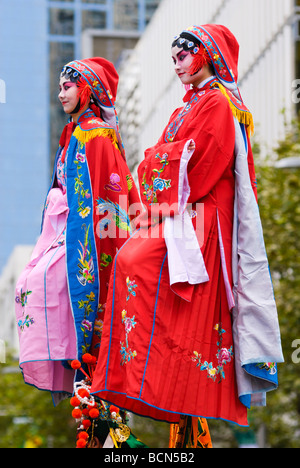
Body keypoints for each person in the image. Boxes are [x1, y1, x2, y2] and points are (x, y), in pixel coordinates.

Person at [90, 25, 284, 429]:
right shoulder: (186, 107)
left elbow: (198, 163)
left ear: (207, 54)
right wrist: (163, 159)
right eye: (173, 58)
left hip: (202, 213)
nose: (177, 64)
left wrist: (162, 160)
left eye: (183, 56)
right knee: (128, 259)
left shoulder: (218, 103)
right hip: (179, 210)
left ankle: (162, 377)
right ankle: (145, 376)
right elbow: (158, 157)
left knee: (135, 260)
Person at [15, 57, 141, 403]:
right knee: (28, 283)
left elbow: (109, 199)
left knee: (42, 283)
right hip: (65, 231)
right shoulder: (74, 135)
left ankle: (76, 347)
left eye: (66, 86)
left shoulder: (96, 136)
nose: (60, 94)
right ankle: (68, 348)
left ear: (87, 89)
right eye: (59, 88)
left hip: (87, 238)